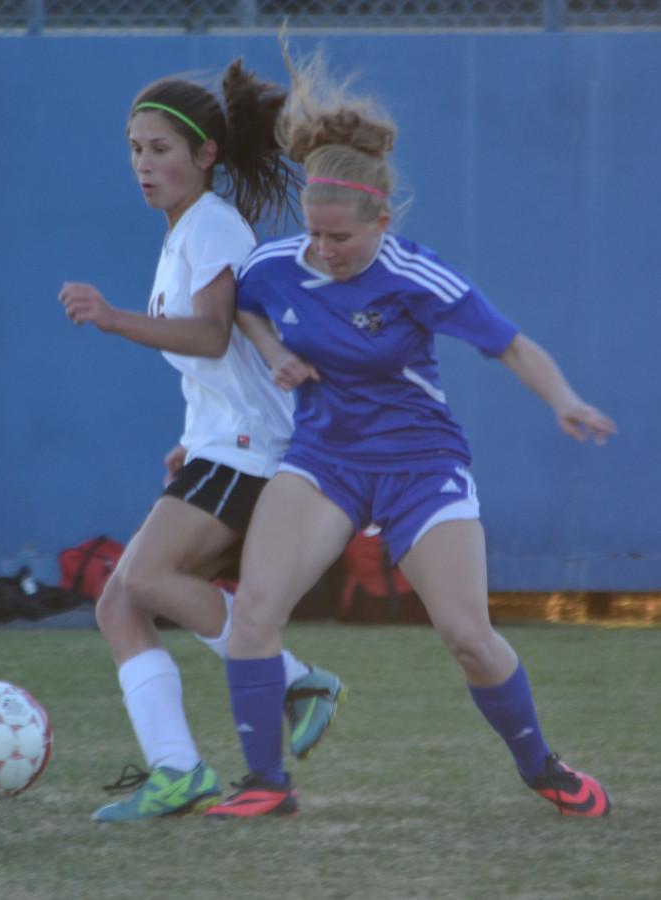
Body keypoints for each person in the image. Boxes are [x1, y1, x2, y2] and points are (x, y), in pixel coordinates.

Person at [204, 44, 617, 819]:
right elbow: (241, 310)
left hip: (421, 465)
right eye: (313, 234)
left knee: (466, 634)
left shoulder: (415, 275)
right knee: (255, 610)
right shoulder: (277, 265)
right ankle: (266, 783)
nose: (322, 252)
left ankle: (543, 767)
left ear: (381, 222)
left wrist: (563, 400)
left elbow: (511, 343)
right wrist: (272, 353)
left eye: (341, 239)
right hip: (324, 459)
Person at [59, 61, 345, 822]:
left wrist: (114, 316)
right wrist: (190, 440)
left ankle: (293, 679)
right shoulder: (184, 233)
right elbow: (218, 365)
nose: (144, 165)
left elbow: (215, 334)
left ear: (206, 155)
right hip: (221, 444)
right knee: (119, 602)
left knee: (144, 579)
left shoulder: (213, 222)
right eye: (134, 149)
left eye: (160, 149)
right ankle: (177, 770)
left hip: (252, 449)